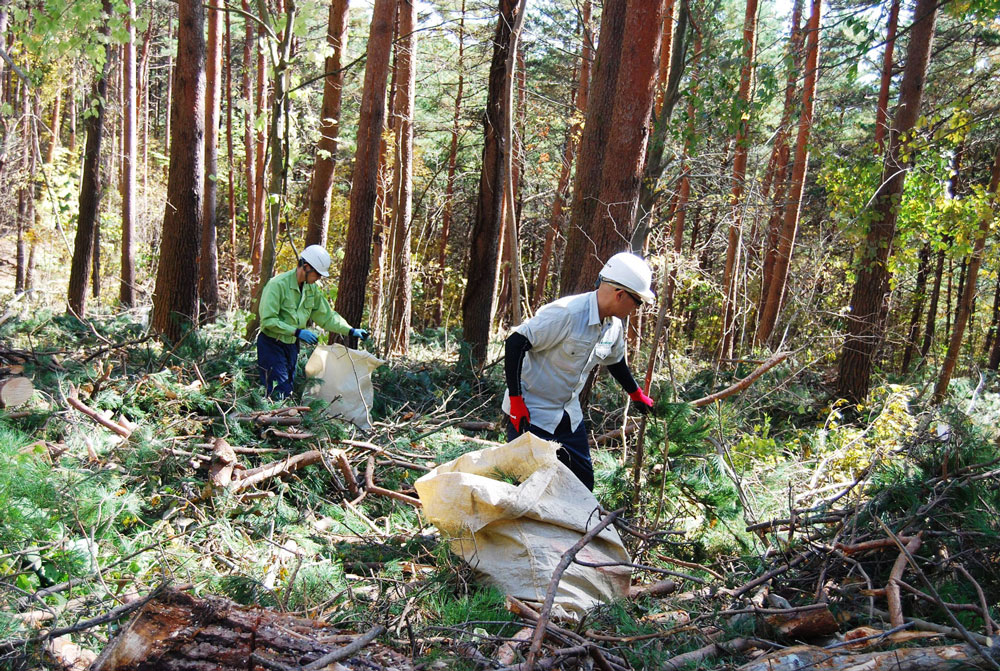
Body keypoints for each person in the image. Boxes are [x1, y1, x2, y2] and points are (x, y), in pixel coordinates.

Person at [503, 252, 656, 490]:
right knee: (525, 487)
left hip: (567, 415)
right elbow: (516, 342)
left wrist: (636, 394)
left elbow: (615, 362)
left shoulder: (613, 327)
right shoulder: (567, 313)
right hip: (530, 413)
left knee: (582, 486)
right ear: (620, 294)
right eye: (637, 302)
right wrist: (516, 400)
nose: (637, 308)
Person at [257, 245, 369, 398]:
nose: (319, 278)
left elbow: (327, 316)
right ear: (306, 267)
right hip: (271, 344)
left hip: (291, 346)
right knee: (279, 390)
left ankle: (278, 418)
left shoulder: (311, 290)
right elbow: (268, 320)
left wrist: (350, 330)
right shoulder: (277, 285)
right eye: (317, 274)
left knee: (288, 387)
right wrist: (297, 331)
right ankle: (270, 419)